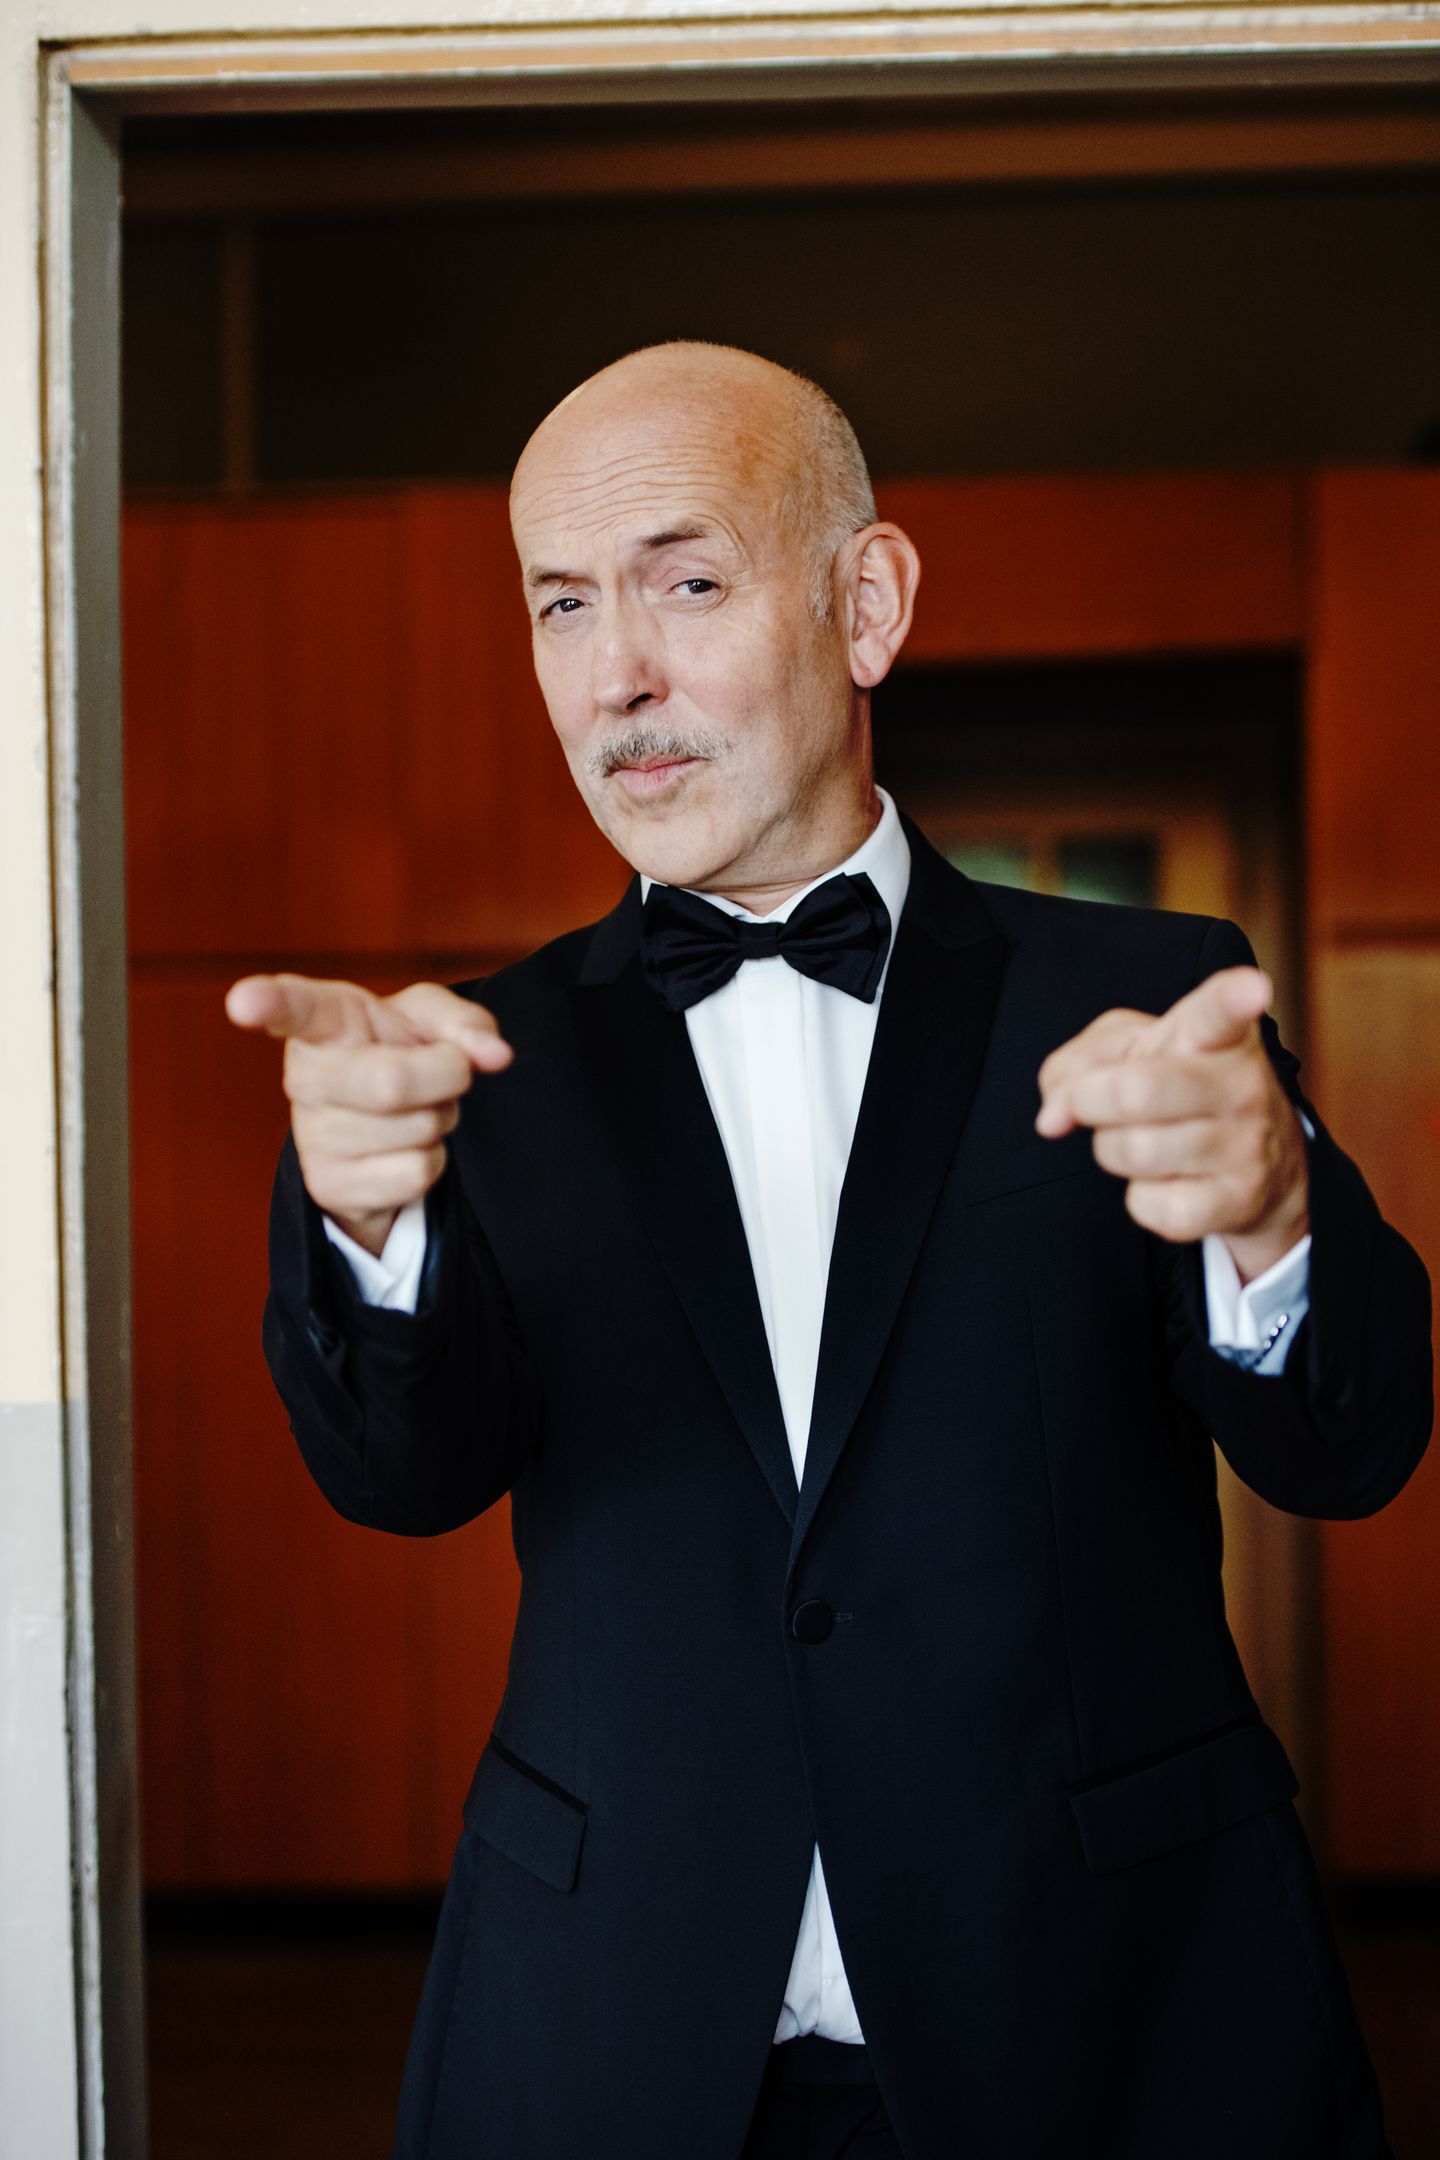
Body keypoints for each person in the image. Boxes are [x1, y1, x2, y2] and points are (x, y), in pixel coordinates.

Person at [227, 343, 1432, 2160]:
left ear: (867, 605)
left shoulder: (1150, 995)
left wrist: (1272, 1214)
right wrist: (364, 1219)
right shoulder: (472, 1063)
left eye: (686, 584)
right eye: (563, 604)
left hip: (1109, 2022)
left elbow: (1349, 1451)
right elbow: (402, 1478)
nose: (615, 676)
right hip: (613, 2032)